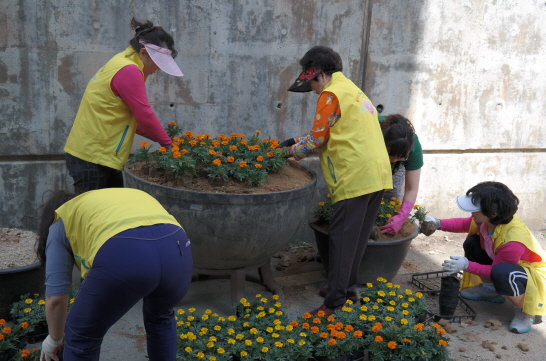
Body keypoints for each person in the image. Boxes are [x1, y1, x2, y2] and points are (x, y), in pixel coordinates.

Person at [282, 45, 392, 316]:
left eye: (311, 84)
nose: (314, 91)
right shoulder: (353, 91)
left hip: (354, 176)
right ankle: (347, 288)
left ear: (317, 74)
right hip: (376, 173)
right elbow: (335, 130)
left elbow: (318, 139)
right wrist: (297, 140)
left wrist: (288, 151)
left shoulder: (330, 93)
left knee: (342, 241)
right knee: (356, 238)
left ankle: (333, 303)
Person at [36, 188, 192, 360]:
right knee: (160, 319)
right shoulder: (109, 202)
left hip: (124, 252)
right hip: (177, 249)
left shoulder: (62, 219)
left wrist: (54, 339)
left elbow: (56, 299)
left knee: (82, 337)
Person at [64, 18, 183, 194]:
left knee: (111, 213)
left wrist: (162, 139)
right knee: (92, 217)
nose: (158, 69)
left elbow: (125, 117)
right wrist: (168, 144)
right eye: (158, 63)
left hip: (98, 154)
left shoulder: (122, 61)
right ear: (143, 53)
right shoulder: (129, 70)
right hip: (93, 157)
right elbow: (144, 114)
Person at [426, 181, 546, 334]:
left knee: (502, 273)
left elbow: (495, 271)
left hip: (532, 278)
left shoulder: (513, 240)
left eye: (475, 208)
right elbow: (464, 224)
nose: (471, 212)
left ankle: (525, 310)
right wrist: (438, 223)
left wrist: (466, 265)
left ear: (493, 213)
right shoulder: (489, 222)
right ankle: (490, 290)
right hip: (506, 267)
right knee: (472, 243)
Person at [377, 114, 424, 235]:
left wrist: (401, 217)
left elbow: (411, 189)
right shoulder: (373, 133)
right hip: (369, 162)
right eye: (390, 156)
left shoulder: (414, 147)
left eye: (399, 158)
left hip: (395, 164)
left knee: (391, 195)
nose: (393, 161)